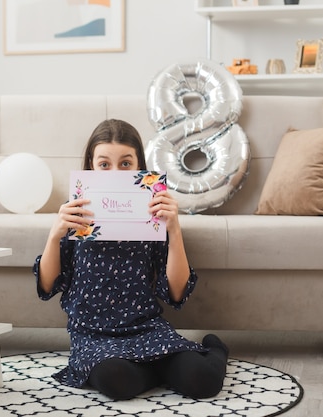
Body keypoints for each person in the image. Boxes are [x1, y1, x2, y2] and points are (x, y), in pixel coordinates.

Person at [33, 119, 229, 400]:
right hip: (94, 336)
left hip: (146, 329)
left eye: (125, 164)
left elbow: (175, 292)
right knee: (115, 380)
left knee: (204, 381)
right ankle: (159, 369)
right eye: (104, 164)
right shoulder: (77, 213)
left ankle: (215, 350)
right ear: (91, 165)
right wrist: (54, 234)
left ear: (139, 166)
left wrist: (174, 229)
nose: (115, 172)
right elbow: (48, 285)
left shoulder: (152, 213)